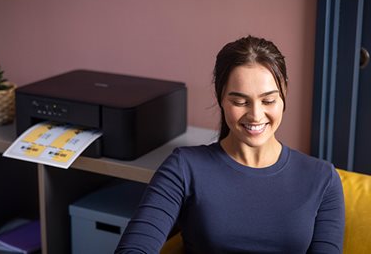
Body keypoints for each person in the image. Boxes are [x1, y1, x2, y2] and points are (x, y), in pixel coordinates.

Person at [115, 35, 345, 253]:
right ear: (221, 98)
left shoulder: (322, 179)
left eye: (268, 100)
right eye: (240, 101)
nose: (255, 115)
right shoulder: (184, 167)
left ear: (284, 92)